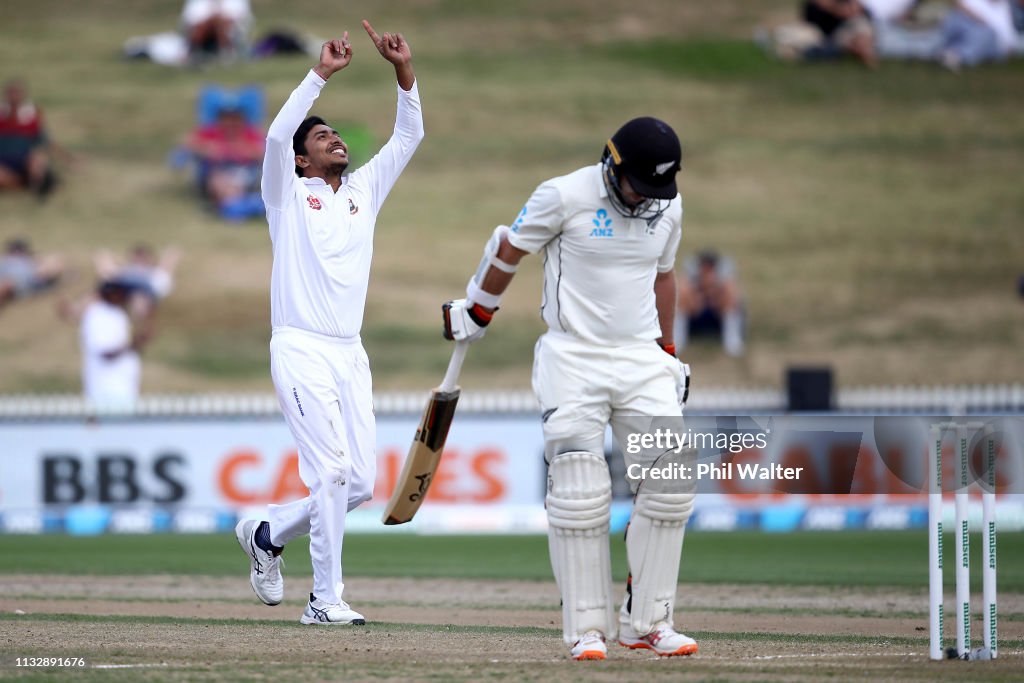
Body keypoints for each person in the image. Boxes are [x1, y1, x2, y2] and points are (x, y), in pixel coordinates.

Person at [442, 117, 696, 660]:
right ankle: (587, 628)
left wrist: (669, 353)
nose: (644, 201)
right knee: (580, 490)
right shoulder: (563, 194)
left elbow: (664, 276)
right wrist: (479, 308)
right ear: (611, 164)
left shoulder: (667, 206)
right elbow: (511, 248)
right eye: (637, 187)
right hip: (573, 356)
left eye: (657, 191)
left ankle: (648, 621)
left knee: (672, 482)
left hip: (640, 355)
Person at [234, 21, 423, 626]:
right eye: (322, 135)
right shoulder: (285, 194)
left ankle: (268, 532)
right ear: (300, 157)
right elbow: (272, 137)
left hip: (350, 352)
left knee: (360, 483)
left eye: (337, 133)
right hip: (300, 348)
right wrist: (320, 76)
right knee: (332, 472)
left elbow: (409, 135)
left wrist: (402, 70)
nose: (334, 138)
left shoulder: (364, 189)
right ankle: (324, 600)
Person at [79, 280, 154, 410]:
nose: (125, 296)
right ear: (112, 294)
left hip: (123, 388)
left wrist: (137, 343)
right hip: (106, 391)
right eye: (121, 293)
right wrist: (133, 345)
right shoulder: (97, 315)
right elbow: (105, 353)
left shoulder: (118, 315)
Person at [184, 102, 265, 219]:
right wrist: (207, 149)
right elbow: (188, 144)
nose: (231, 123)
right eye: (226, 119)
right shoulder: (211, 132)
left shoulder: (250, 133)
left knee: (235, 182)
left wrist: (240, 150)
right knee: (220, 180)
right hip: (217, 172)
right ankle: (236, 208)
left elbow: (263, 152)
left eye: (235, 119)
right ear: (220, 120)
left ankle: (230, 208)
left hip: (244, 172)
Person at [675, 250, 745, 357]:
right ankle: (677, 339)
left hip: (718, 319)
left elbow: (734, 299)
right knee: (682, 294)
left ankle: (732, 341)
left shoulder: (724, 282)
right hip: (695, 319)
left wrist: (714, 296)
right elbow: (685, 299)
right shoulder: (691, 281)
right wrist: (698, 300)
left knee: (730, 293)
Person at [0, 78, 57, 198]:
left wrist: (70, 159)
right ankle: (22, 184)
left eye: (17, 93)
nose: (14, 96)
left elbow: (44, 140)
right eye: (11, 92)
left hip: (24, 159)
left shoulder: (31, 115)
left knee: (37, 162)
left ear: (23, 95)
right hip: (3, 161)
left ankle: (36, 185)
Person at [936, 0, 1019, 70]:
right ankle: (941, 49)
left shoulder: (1002, 7)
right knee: (956, 18)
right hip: (968, 31)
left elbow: (1007, 38)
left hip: (991, 43)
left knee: (986, 33)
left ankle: (957, 56)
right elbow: (959, 5)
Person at [801, 0, 880, 67]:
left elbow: (864, 13)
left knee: (861, 29)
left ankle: (867, 55)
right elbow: (810, 14)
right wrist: (837, 9)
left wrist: (853, 9)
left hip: (850, 30)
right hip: (826, 34)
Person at [0, 238, 65, 313]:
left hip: (21, 281)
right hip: (10, 279)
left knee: (6, 285)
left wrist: (42, 271)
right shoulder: (5, 260)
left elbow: (55, 265)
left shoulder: (32, 260)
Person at [180, 0, 253, 63]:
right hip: (204, 31)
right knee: (206, 25)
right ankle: (195, 53)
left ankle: (224, 52)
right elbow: (190, 20)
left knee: (219, 23)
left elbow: (241, 19)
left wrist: (216, 20)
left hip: (227, 30)